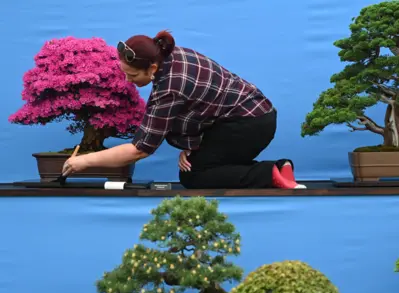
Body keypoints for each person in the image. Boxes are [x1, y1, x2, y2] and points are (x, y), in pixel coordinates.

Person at [62, 30, 306, 189]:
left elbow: (140, 149)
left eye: (133, 75)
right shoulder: (172, 55)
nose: (128, 81)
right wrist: (196, 145)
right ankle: (281, 168)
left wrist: (85, 161)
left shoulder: (168, 88)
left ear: (153, 68)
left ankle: (269, 173)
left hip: (248, 125)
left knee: (194, 176)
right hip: (249, 114)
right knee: (196, 162)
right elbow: (202, 105)